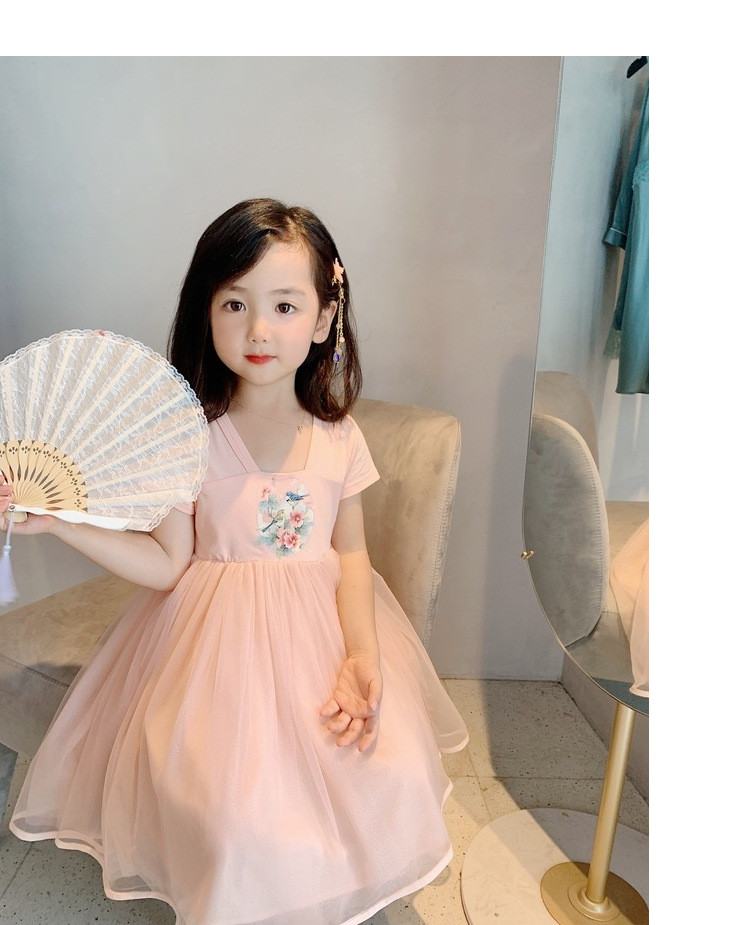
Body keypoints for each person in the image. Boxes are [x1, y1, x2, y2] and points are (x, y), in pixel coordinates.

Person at [2, 198, 469, 925]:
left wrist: (363, 653)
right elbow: (166, 565)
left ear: (323, 318)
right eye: (234, 303)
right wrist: (64, 522)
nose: (258, 329)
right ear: (205, 312)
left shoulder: (340, 438)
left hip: (320, 638)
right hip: (214, 654)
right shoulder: (186, 439)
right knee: (232, 807)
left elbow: (351, 555)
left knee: (379, 769)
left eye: (285, 305)